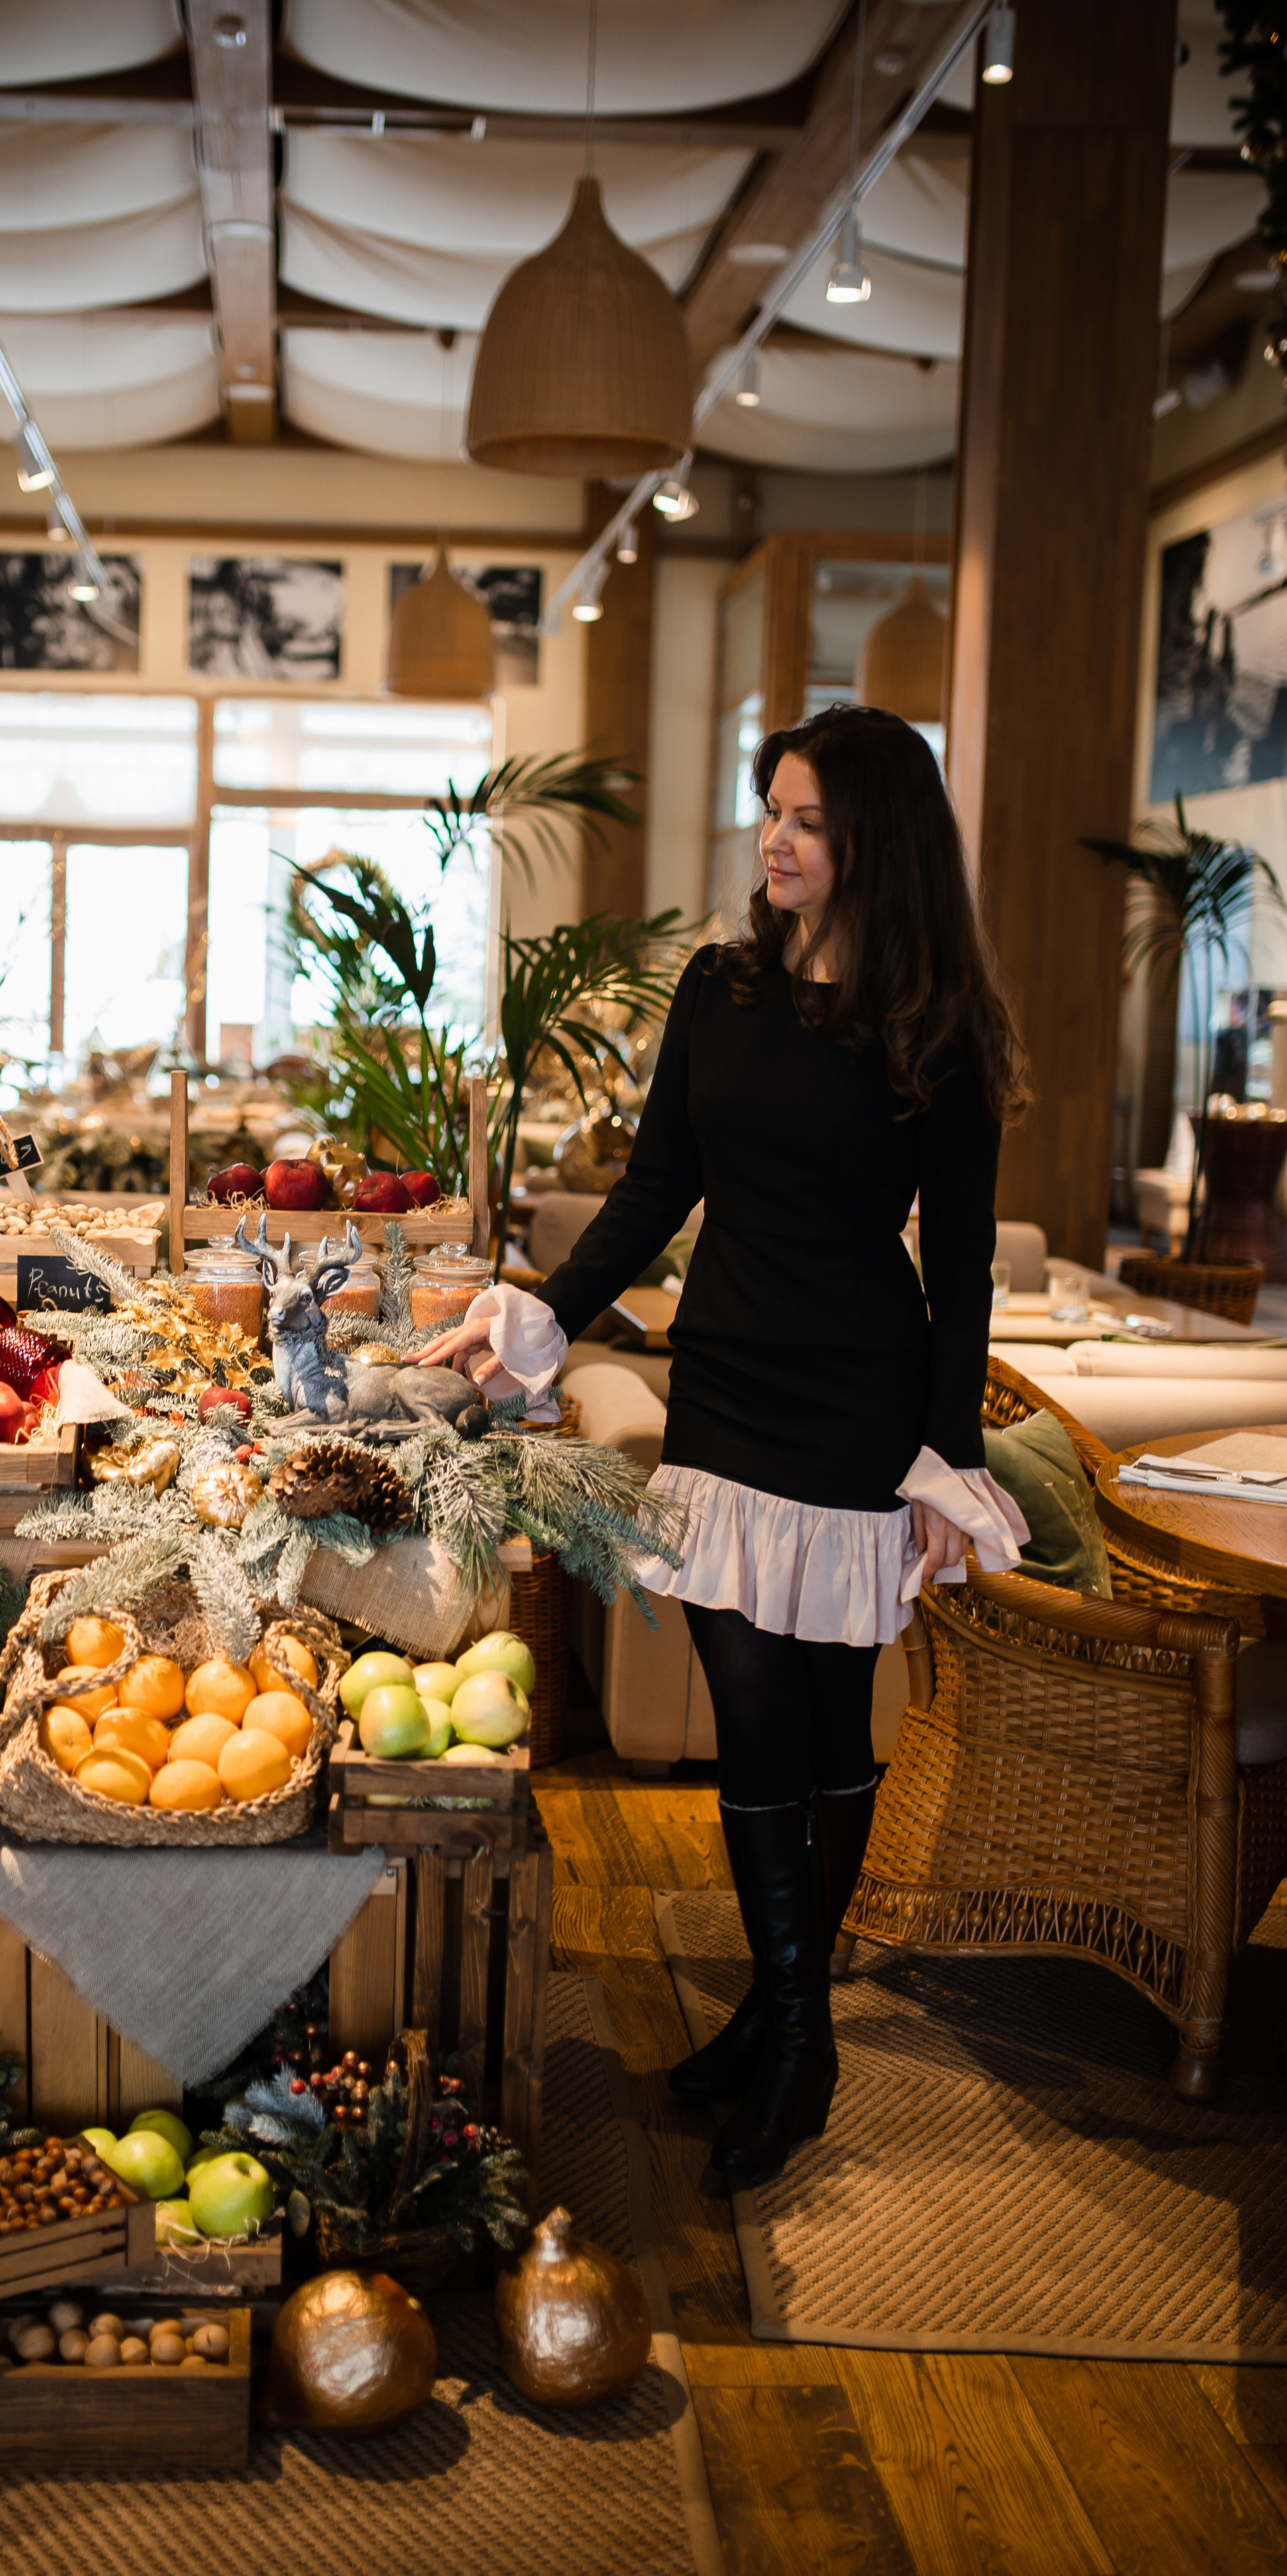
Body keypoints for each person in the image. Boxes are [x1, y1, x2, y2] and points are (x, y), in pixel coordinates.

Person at [415, 703, 1032, 2191]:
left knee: (825, 1727)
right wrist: (534, 1313)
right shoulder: (719, 986)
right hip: (727, 1389)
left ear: (871, 840)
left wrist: (939, 1463)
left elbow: (959, 1269)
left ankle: (779, 2021)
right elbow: (651, 1190)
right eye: (769, 808)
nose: (773, 838)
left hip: (857, 1403)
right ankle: (800, 2024)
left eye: (806, 819)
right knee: (750, 1702)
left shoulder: (936, 1029)